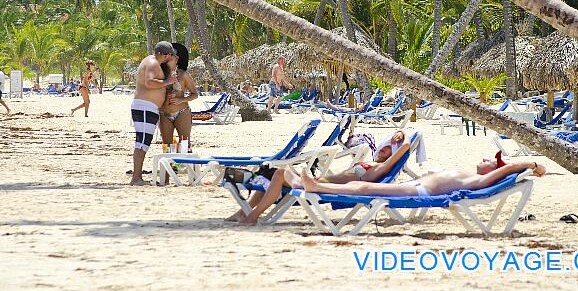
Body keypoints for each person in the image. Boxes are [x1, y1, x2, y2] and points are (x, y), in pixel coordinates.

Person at [226, 130, 413, 224]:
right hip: (317, 182)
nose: (383, 148)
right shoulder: (373, 164)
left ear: (393, 154)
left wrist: (402, 135)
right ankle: (245, 212)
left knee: (280, 173)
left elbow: (405, 146)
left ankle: (252, 216)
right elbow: (398, 145)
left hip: (319, 187)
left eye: (389, 147)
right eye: (384, 144)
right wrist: (397, 136)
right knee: (274, 172)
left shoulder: (380, 168)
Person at [300, 152, 546, 197]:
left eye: (488, 160)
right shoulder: (471, 175)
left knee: (365, 188)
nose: (483, 159)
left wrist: (533, 164)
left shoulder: (479, 180)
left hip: (419, 191)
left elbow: (510, 168)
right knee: (365, 188)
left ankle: (318, 188)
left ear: (495, 169)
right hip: (416, 185)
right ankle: (319, 186)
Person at [130, 41, 176, 186]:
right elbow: (149, 82)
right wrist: (168, 81)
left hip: (148, 107)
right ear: (166, 55)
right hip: (144, 106)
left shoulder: (154, 63)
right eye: (170, 55)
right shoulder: (152, 62)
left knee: (144, 142)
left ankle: (137, 176)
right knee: (142, 142)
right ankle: (136, 177)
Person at [159, 43, 198, 153]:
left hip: (182, 112)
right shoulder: (160, 75)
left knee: (185, 143)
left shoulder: (183, 75)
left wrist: (181, 99)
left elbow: (195, 94)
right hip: (164, 113)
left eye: (170, 54)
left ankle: (187, 167)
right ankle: (169, 169)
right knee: (167, 145)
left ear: (177, 58)